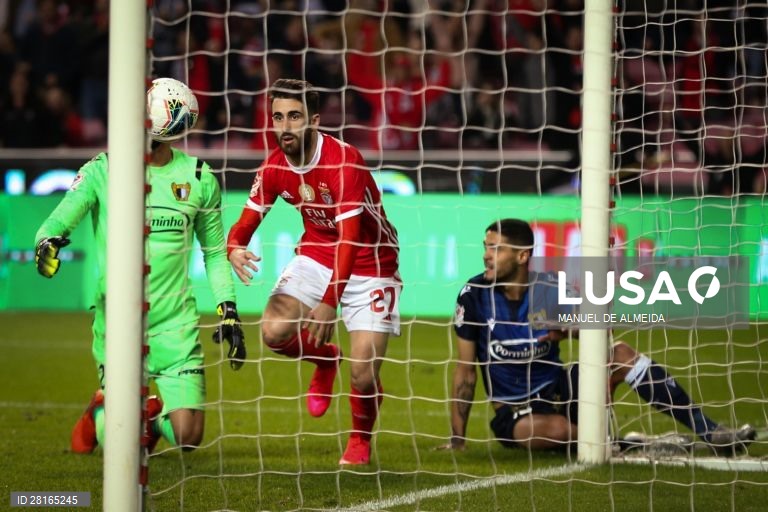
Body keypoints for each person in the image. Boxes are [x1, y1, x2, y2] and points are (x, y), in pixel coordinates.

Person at [34, 77, 246, 454]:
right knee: (120, 443)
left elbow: (214, 252)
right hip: (118, 320)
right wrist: (46, 242)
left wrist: (227, 307)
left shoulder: (198, 178)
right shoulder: (102, 169)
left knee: (188, 436)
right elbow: (56, 222)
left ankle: (142, 416)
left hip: (175, 323)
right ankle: (104, 412)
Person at [441, 218, 756, 455]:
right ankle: (628, 445)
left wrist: (566, 328)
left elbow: (601, 331)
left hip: (561, 392)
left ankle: (710, 432)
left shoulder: (551, 288)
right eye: (485, 246)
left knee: (620, 353)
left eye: (496, 248)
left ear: (523, 256)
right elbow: (466, 371)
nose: (486, 255)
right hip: (515, 413)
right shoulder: (474, 296)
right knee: (554, 429)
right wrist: (458, 439)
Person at [227, 78, 401, 465]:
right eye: (277, 117)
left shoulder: (344, 161)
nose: (284, 127)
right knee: (273, 331)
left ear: (314, 120)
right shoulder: (274, 165)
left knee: (363, 375)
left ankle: (360, 438)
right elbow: (247, 218)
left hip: (372, 262)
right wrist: (233, 245)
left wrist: (328, 302)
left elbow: (352, 239)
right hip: (319, 252)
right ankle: (325, 358)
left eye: (294, 117)